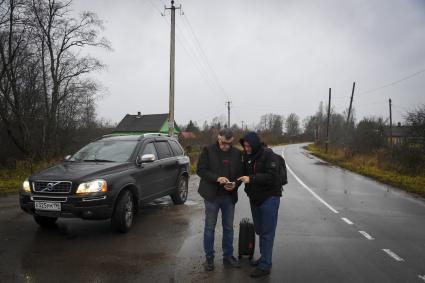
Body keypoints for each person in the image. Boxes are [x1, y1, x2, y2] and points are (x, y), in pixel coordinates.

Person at [197, 128, 243, 271]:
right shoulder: (208, 150)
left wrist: (235, 183)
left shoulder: (237, 153)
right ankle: (209, 258)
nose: (226, 146)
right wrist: (217, 178)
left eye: (229, 143)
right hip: (212, 196)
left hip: (229, 197)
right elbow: (201, 170)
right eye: (223, 143)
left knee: (228, 228)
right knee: (210, 227)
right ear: (218, 138)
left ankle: (228, 256)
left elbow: (241, 173)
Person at [238, 132, 282, 278]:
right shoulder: (246, 156)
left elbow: (272, 176)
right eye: (245, 146)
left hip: (270, 197)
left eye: (249, 145)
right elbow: (243, 174)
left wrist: (251, 179)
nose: (247, 148)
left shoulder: (268, 155)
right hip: (255, 198)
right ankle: (264, 258)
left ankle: (265, 265)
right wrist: (234, 183)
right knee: (260, 230)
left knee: (268, 232)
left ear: (255, 144)